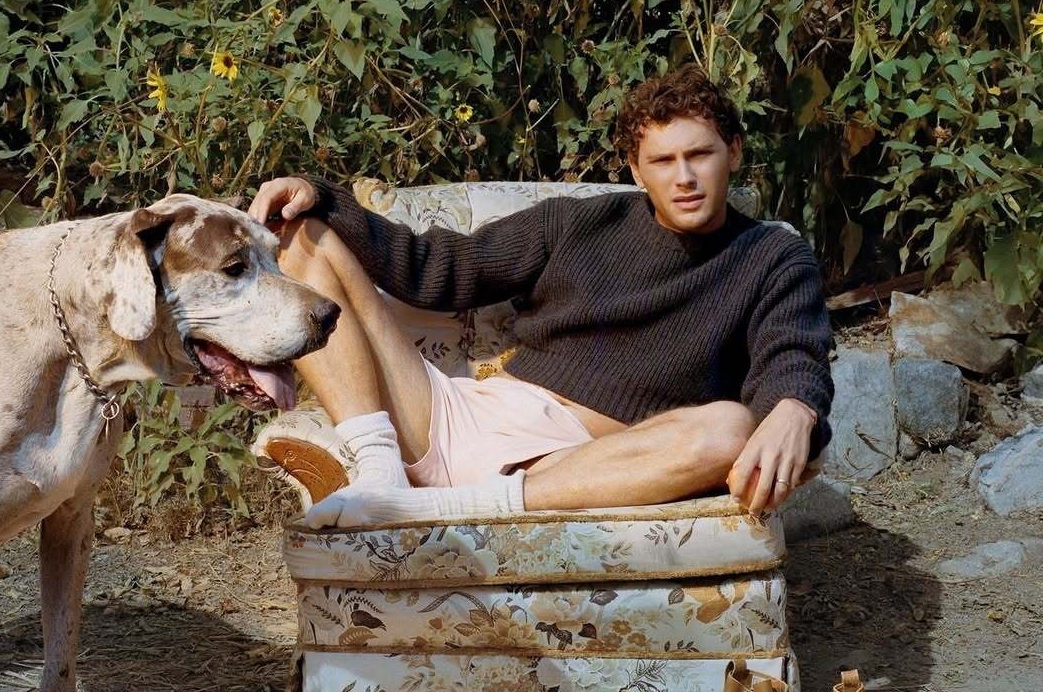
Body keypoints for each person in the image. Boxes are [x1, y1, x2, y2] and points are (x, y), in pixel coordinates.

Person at [247, 64, 834, 530]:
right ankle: (381, 474)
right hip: (456, 420)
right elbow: (435, 269)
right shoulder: (577, 224)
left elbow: (792, 353)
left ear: (734, 151)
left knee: (730, 428)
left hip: (579, 468)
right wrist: (324, 198)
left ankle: (452, 507)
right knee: (305, 239)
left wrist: (796, 409)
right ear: (636, 170)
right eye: (663, 160)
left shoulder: (772, 257)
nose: (684, 178)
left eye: (700, 154)